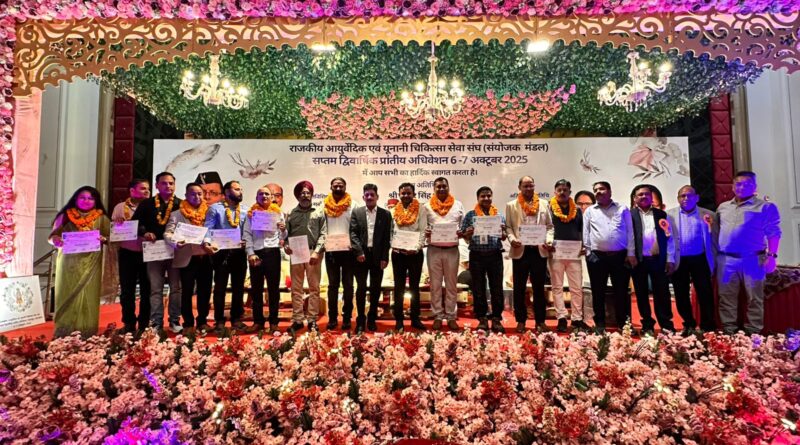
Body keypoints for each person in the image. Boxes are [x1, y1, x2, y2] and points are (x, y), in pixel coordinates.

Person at [716, 171, 781, 334]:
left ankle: (753, 333)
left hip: (753, 259)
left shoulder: (766, 207)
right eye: (738, 184)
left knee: (754, 298)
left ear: (755, 187)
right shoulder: (723, 207)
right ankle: (729, 332)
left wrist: (772, 256)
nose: (742, 187)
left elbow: (774, 233)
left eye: (747, 184)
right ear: (733, 187)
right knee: (726, 298)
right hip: (726, 260)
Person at [48, 186, 111, 338]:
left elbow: (112, 237)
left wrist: (104, 239)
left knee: (89, 295)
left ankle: (87, 331)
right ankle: (64, 331)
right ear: (75, 199)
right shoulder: (65, 216)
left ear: (96, 201)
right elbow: (52, 237)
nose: (86, 201)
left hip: (92, 264)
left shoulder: (101, 218)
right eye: (82, 197)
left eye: (90, 198)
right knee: (66, 293)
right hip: (68, 263)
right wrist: (56, 240)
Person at [132, 172, 183, 333]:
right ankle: (156, 322)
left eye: (171, 183)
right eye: (164, 183)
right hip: (154, 251)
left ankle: (174, 320)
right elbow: (135, 224)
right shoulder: (146, 204)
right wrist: (145, 232)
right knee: (155, 289)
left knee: (176, 288)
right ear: (156, 186)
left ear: (175, 185)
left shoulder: (181, 205)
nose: (168, 186)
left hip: (175, 251)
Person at [583, 181, 636, 334]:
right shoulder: (590, 211)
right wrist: (588, 253)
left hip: (620, 257)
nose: (598, 192)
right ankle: (600, 324)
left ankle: (623, 324)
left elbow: (630, 232)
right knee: (597, 291)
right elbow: (586, 233)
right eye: (596, 190)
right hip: (597, 257)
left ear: (610, 191)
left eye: (602, 189)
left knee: (621, 291)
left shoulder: (622, 209)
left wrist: (630, 253)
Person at [505, 176, 553, 333]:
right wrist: (512, 239)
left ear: (534, 186)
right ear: (519, 187)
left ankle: (540, 321)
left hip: (539, 251)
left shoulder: (544, 204)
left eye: (531, 185)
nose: (528, 188)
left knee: (539, 288)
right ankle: (520, 321)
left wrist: (548, 240)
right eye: (525, 186)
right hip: (521, 251)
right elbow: (508, 227)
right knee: (519, 288)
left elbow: (550, 226)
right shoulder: (511, 205)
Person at [163, 183, 213, 335]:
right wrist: (175, 242)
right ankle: (188, 323)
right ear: (186, 195)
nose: (197, 196)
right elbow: (167, 233)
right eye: (193, 194)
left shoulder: (210, 212)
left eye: (199, 194)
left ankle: (202, 321)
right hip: (187, 258)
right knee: (186, 292)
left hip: (206, 257)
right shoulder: (177, 214)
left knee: (205, 291)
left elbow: (215, 231)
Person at [668, 185, 716, 333]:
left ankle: (707, 326)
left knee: (705, 293)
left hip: (700, 259)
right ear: (678, 199)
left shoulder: (709, 215)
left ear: (697, 198)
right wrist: (669, 259)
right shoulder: (669, 215)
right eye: (682, 196)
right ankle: (688, 324)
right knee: (681, 294)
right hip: (679, 260)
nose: (686, 198)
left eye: (689, 195)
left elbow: (715, 240)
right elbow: (668, 240)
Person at [630, 184, 676, 335]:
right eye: (640, 194)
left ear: (651, 197)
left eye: (647, 194)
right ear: (635, 199)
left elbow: (669, 238)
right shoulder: (629, 215)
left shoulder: (661, 214)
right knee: (641, 293)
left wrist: (670, 259)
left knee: (662, 293)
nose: (644, 196)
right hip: (638, 260)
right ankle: (647, 324)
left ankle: (666, 324)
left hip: (658, 259)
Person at [203, 180, 248, 334]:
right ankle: (219, 320)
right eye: (237, 189)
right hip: (221, 252)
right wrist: (207, 243)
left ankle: (236, 318)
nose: (241, 192)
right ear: (227, 192)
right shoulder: (215, 209)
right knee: (220, 288)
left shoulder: (245, 210)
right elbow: (208, 229)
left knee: (238, 287)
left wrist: (247, 241)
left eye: (241, 189)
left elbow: (248, 231)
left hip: (239, 252)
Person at [461, 186, 507, 333]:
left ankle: (496, 318)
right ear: (478, 198)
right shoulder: (470, 215)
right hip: (477, 255)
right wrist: (468, 233)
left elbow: (504, 236)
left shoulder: (498, 216)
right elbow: (463, 235)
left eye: (488, 196)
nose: (486, 198)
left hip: (495, 255)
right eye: (483, 196)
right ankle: (482, 318)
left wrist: (503, 232)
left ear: (492, 197)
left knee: (496, 288)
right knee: (478, 288)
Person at [243, 186, 287, 333]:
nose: (264, 196)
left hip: (273, 253)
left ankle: (274, 322)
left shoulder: (278, 213)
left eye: (267, 194)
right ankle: (258, 322)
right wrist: (250, 253)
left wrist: (283, 230)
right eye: (261, 194)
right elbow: (247, 234)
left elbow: (283, 236)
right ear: (257, 198)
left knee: (274, 289)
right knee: (256, 290)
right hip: (256, 254)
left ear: (272, 197)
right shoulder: (251, 214)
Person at [284, 181, 327, 332]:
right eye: (302, 193)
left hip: (313, 253)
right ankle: (297, 319)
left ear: (312, 195)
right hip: (296, 252)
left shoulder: (319, 212)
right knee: (296, 288)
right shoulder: (291, 214)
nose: (305, 195)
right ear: (297, 196)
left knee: (314, 288)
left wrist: (317, 251)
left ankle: (312, 320)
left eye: (308, 193)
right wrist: (285, 245)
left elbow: (324, 234)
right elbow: (285, 235)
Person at [424, 177, 466, 331]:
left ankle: (451, 316)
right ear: (434, 189)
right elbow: (423, 227)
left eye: (444, 186)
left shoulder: (458, 205)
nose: (441, 189)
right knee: (435, 285)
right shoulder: (426, 206)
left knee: (451, 284)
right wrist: (426, 232)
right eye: (438, 187)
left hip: (452, 250)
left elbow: (463, 227)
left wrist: (461, 233)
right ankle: (437, 315)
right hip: (434, 249)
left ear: (448, 187)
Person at [350, 184, 392, 334]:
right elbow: (353, 233)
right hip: (360, 256)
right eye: (366, 195)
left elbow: (387, 238)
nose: (369, 197)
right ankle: (360, 320)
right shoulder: (357, 212)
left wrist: (385, 257)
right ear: (363, 197)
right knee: (361, 288)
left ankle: (372, 318)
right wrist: (358, 252)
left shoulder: (385, 214)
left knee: (375, 289)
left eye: (372, 195)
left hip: (377, 257)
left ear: (377, 197)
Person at [111, 179, 151, 334]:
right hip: (127, 252)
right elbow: (114, 231)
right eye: (143, 188)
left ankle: (144, 323)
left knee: (147, 290)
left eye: (148, 189)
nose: (147, 191)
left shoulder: (152, 206)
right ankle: (128, 322)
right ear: (132, 191)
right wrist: (118, 224)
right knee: (127, 290)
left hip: (148, 252)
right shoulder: (120, 207)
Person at [548, 179, 587, 332]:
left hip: (574, 254)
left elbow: (582, 230)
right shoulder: (549, 209)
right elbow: (545, 228)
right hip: (555, 253)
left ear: (570, 192)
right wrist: (547, 243)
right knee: (557, 287)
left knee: (576, 288)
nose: (562, 192)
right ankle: (561, 318)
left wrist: (584, 245)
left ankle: (577, 318)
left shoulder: (577, 210)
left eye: (565, 190)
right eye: (559, 190)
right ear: (555, 192)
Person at [391, 183, 428, 331]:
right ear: (399, 194)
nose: (406, 195)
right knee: (398, 287)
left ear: (414, 194)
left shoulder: (421, 209)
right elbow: (391, 232)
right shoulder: (393, 210)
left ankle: (415, 318)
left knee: (414, 287)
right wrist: (394, 245)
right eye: (403, 193)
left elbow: (423, 230)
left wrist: (416, 248)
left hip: (415, 254)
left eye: (408, 193)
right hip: (398, 254)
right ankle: (399, 319)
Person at [323, 177, 356, 331]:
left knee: (348, 285)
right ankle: (332, 318)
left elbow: (356, 228)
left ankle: (347, 317)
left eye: (340, 185)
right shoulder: (324, 205)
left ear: (345, 187)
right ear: (331, 187)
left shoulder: (353, 205)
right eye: (335, 185)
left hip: (349, 252)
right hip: (331, 251)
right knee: (332, 286)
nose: (338, 188)